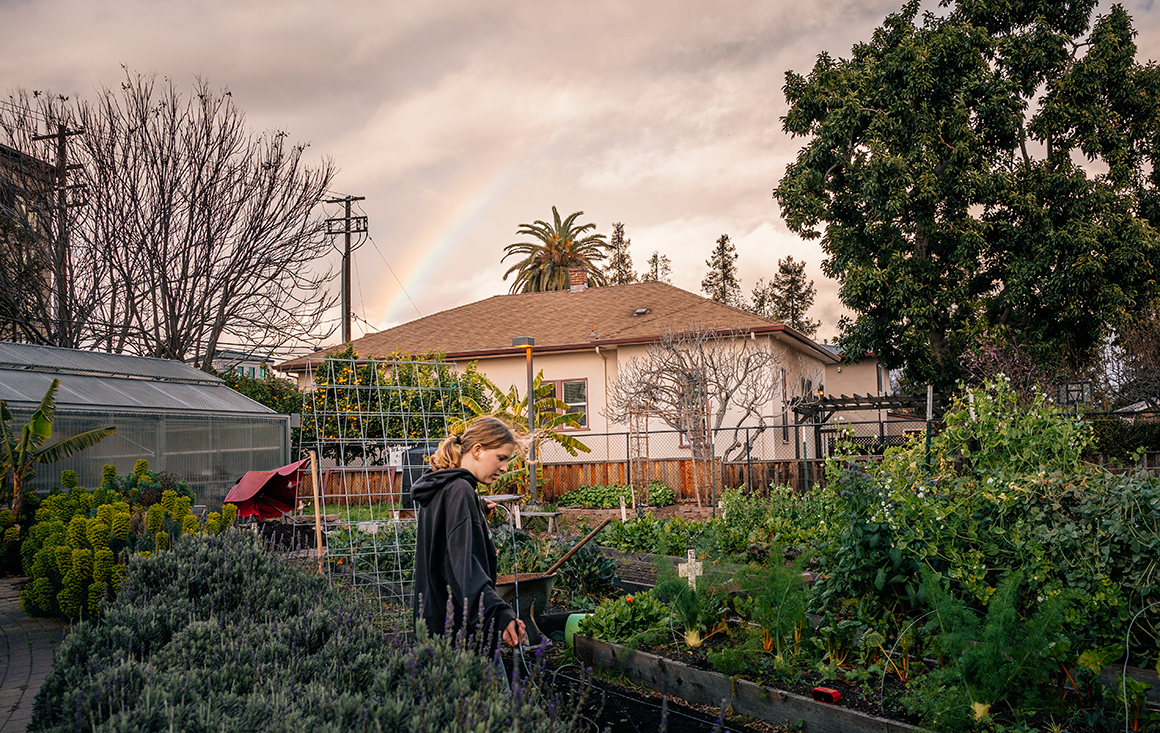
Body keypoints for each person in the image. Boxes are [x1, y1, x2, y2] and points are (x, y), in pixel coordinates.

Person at [411, 416, 528, 649]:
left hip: (433, 625)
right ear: (477, 450)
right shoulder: (460, 491)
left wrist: (477, 508)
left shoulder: (443, 486)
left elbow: (446, 541)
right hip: (456, 636)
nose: (505, 468)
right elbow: (466, 568)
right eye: (501, 458)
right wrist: (500, 614)